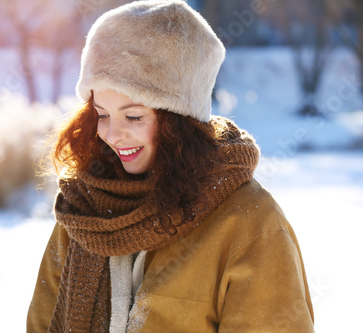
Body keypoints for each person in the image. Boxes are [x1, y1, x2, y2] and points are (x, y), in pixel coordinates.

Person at [27, 1, 315, 332]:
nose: (111, 134)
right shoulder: (84, 214)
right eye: (102, 114)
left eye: (133, 116)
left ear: (180, 121)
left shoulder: (249, 223)